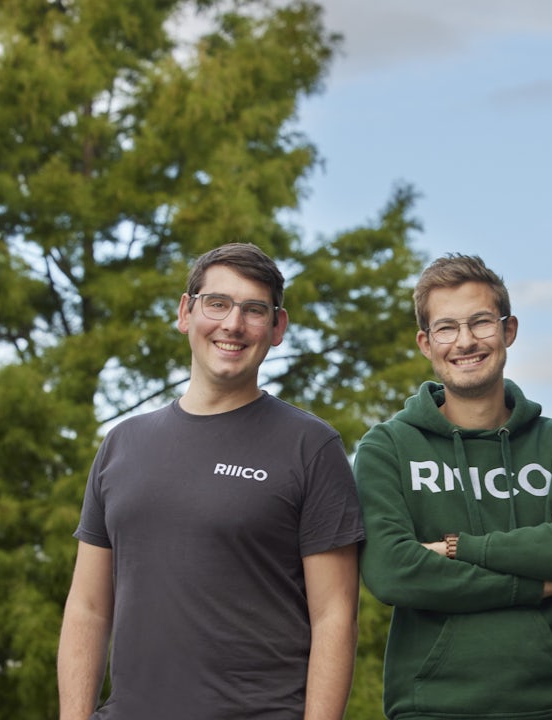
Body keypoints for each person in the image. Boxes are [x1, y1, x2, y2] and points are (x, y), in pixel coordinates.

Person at [57, 243, 362, 720]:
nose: (233, 324)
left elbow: (335, 617)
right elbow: (89, 607)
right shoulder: (122, 444)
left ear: (277, 327)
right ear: (186, 312)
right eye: (217, 303)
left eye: (254, 310)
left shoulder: (311, 447)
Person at [353, 253, 552, 720]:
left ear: (508, 330)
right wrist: (539, 581)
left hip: (550, 706)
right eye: (447, 328)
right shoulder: (387, 447)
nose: (466, 341)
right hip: (430, 707)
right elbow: (391, 569)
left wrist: (456, 548)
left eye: (481, 323)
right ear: (425, 342)